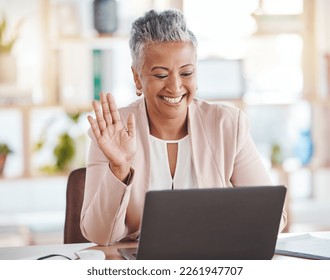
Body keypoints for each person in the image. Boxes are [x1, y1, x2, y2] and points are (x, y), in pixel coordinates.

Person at [80, 9, 287, 245]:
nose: (175, 87)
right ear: (137, 78)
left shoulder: (228, 125)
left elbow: (274, 218)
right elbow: (99, 236)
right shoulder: (111, 132)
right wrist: (119, 168)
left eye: (186, 72)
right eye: (160, 75)